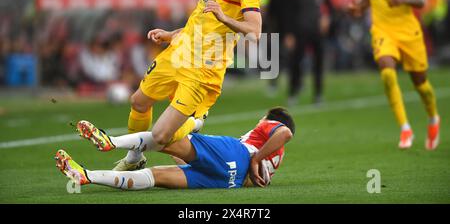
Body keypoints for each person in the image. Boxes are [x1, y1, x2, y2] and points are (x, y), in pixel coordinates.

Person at [114, 0, 263, 171]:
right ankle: (134, 159)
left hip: (203, 68)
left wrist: (225, 18)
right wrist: (172, 34)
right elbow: (200, 21)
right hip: (179, 52)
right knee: (139, 102)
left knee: (162, 136)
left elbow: (255, 31)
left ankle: (194, 124)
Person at [347, 0, 441, 150]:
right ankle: (405, 128)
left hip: (408, 31)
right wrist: (358, 6)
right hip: (382, 30)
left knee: (421, 85)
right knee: (387, 73)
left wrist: (402, 0)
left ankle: (433, 118)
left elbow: (421, 0)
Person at [54, 107, 295, 190]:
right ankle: (86, 177)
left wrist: (254, 159)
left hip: (237, 155)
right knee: (156, 176)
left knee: (165, 136)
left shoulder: (272, 127)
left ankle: (112, 142)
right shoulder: (276, 161)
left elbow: (285, 133)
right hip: (228, 181)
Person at [286, 0, 334, 105]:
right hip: (300, 32)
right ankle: (293, 92)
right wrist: (289, 33)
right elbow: (290, 14)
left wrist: (327, 18)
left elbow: (332, 9)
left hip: (317, 32)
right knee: (296, 63)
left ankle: (318, 94)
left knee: (318, 64)